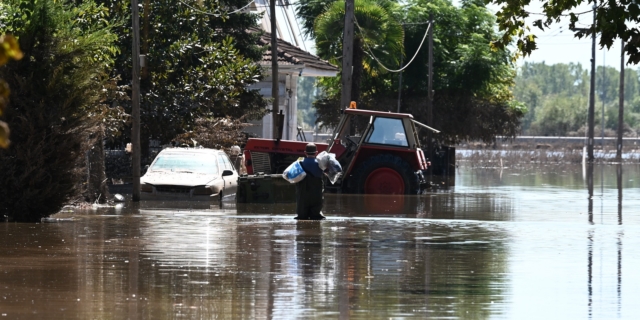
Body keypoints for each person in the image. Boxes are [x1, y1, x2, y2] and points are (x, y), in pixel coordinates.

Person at [294, 143, 326, 220]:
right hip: (316, 192)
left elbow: (293, 174)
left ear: (305, 152)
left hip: (303, 192)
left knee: (301, 217)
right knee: (316, 217)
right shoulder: (320, 163)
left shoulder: (299, 161)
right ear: (316, 153)